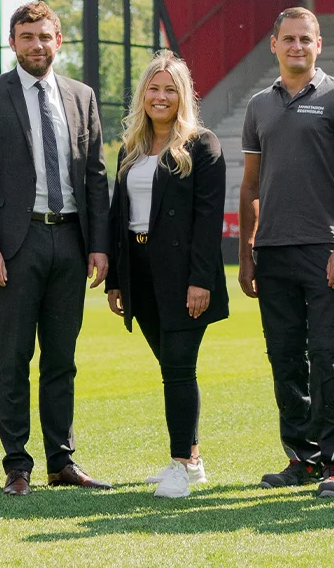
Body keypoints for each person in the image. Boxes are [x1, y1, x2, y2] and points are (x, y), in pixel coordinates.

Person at [0, 1, 112, 496]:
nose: (36, 45)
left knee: (62, 359)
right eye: (26, 37)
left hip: (70, 239)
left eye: (44, 36)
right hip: (16, 243)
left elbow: (94, 175)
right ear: (12, 42)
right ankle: (17, 465)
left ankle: (61, 461)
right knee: (14, 357)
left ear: (58, 40)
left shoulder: (82, 96)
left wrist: (99, 245)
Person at [238, 6, 334, 499]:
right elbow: (250, 183)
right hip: (272, 250)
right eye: (288, 39)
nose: (297, 47)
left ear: (319, 45)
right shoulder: (258, 106)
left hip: (324, 249)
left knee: (329, 355)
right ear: (274, 44)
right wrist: (247, 253)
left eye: (306, 39)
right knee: (286, 360)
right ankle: (303, 458)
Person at [102, 52, 228, 499]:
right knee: (172, 367)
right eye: (154, 89)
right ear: (143, 95)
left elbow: (208, 220)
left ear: (183, 96)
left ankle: (179, 465)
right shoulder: (130, 149)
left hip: (184, 276)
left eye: (170, 89)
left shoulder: (203, 145)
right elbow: (119, 215)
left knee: (177, 368)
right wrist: (116, 278)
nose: (161, 97)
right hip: (139, 272)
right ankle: (192, 460)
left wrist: (202, 281)